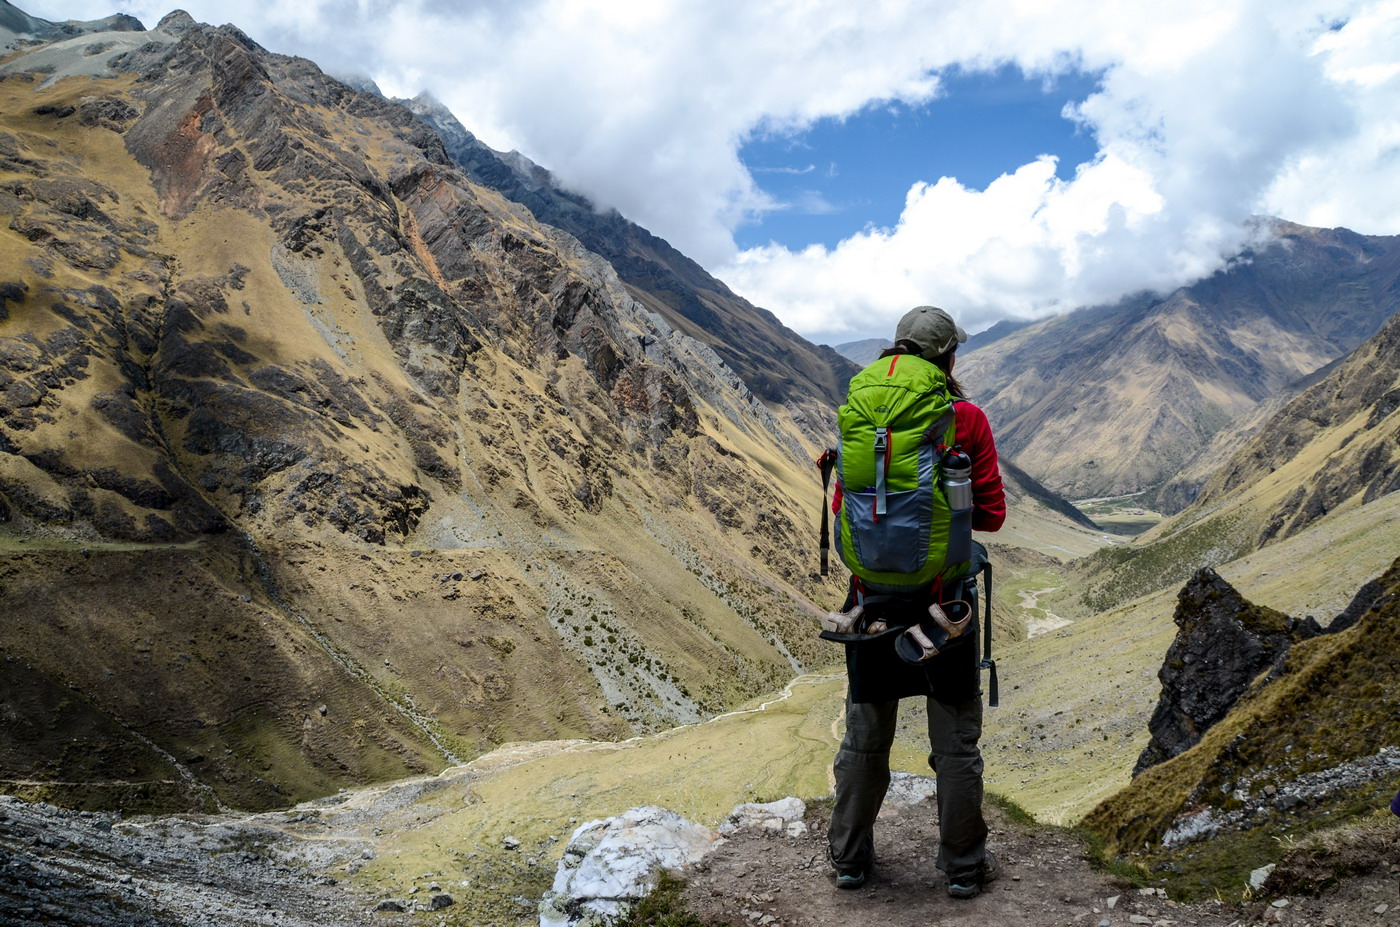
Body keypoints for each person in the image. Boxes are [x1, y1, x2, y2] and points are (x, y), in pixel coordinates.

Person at [826, 305, 1006, 899]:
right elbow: (993, 517)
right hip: (944, 609)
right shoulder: (966, 419)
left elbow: (843, 511)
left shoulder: (859, 413)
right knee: (954, 746)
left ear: (894, 352)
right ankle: (962, 867)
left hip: (870, 604)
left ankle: (850, 860)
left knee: (863, 739)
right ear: (949, 356)